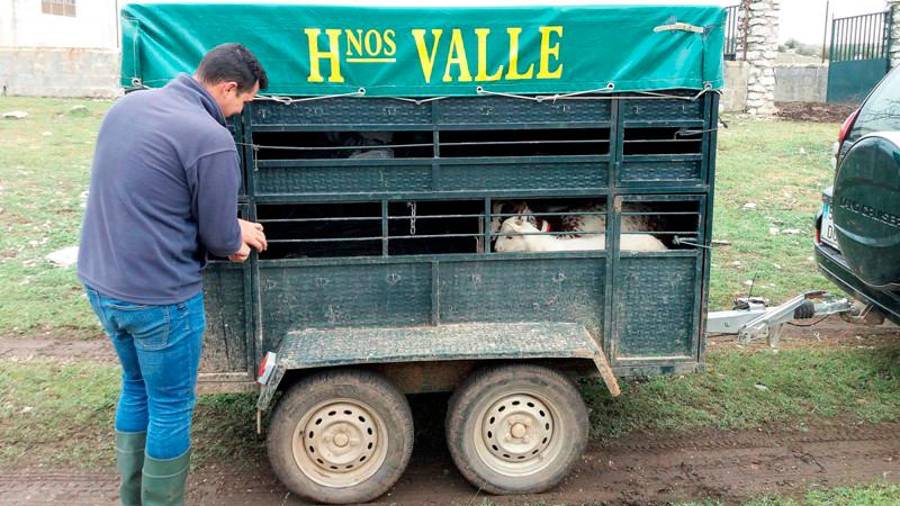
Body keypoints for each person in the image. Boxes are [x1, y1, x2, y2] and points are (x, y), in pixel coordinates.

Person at [77, 43, 268, 506]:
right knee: (170, 405)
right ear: (227, 88)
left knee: (136, 385)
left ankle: (132, 497)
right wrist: (236, 238)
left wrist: (227, 227)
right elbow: (221, 240)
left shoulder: (128, 107)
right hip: (159, 298)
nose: (242, 111)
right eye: (244, 100)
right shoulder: (210, 138)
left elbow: (154, 194)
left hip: (102, 282)